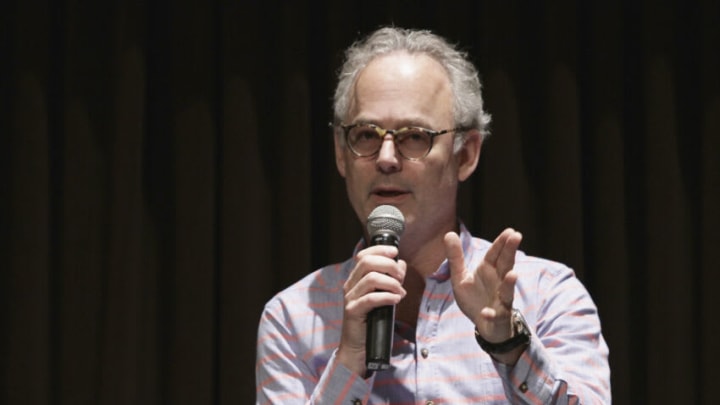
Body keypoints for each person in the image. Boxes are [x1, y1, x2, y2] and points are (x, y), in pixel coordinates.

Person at [256, 27, 610, 404]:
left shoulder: (547, 295)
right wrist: (349, 363)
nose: (387, 159)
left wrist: (510, 345)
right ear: (341, 154)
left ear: (466, 154)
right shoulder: (292, 318)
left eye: (413, 136)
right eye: (366, 135)